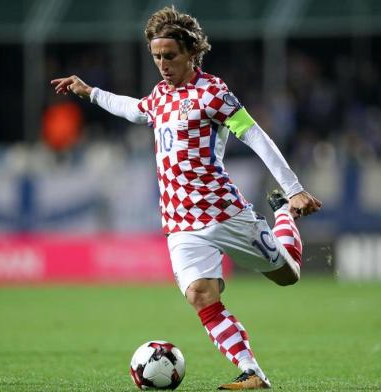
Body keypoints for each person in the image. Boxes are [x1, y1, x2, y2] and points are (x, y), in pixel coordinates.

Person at [51, 6, 321, 390]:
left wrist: (293, 188)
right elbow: (134, 109)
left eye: (170, 56)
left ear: (192, 53)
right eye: (157, 56)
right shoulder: (160, 95)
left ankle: (283, 215)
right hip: (180, 224)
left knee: (288, 276)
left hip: (224, 212)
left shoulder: (214, 93)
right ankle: (252, 373)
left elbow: (254, 135)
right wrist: (90, 92)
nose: (162, 64)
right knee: (200, 295)